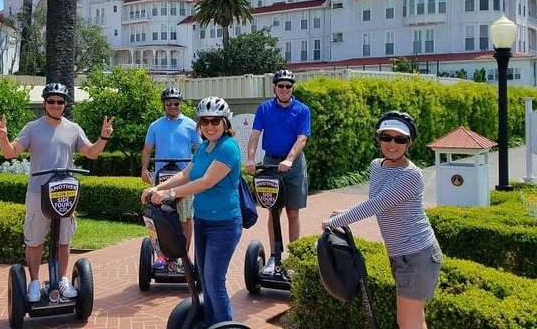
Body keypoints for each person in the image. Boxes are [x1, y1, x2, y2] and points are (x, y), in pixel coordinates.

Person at [0, 82, 114, 302]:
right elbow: (11, 152)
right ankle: (35, 282)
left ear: (65, 104)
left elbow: (91, 153)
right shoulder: (32, 128)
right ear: (45, 103)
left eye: (60, 101)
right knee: (34, 239)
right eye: (51, 101)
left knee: (64, 240)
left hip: (64, 192)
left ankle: (62, 280)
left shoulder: (73, 128)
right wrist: (2, 137)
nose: (55, 105)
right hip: (38, 192)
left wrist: (103, 137)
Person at [322, 111, 442, 329]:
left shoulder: (411, 175)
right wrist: (344, 212)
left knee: (407, 323)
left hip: (417, 255)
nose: (392, 144)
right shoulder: (377, 166)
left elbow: (375, 205)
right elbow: (378, 200)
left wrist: (335, 222)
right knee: (415, 320)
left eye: (400, 139)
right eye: (386, 137)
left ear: (409, 143)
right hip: (400, 255)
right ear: (378, 139)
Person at [142, 96, 242, 327]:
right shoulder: (205, 148)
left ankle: (224, 325)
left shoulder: (228, 148)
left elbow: (206, 182)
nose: (209, 126)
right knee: (204, 280)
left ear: (225, 123)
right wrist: (158, 187)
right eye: (205, 121)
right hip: (203, 221)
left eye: (215, 121)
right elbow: (186, 174)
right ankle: (209, 322)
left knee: (214, 280)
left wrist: (171, 194)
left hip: (224, 224)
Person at [246, 69, 311, 276]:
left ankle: (294, 257)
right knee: (273, 211)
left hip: (293, 163)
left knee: (293, 212)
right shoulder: (264, 108)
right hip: (271, 162)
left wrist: (290, 159)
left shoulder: (302, 110)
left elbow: (302, 138)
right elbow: (255, 134)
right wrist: (250, 158)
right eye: (280, 85)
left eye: (288, 86)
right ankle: (275, 256)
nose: (284, 89)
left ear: (293, 89)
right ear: (274, 87)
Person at [141, 87, 201, 269]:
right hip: (161, 178)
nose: (173, 106)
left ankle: (184, 256)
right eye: (169, 104)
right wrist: (144, 168)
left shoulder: (191, 124)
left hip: (184, 179)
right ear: (164, 105)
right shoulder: (155, 126)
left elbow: (199, 149)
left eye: (176, 103)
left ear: (180, 104)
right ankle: (161, 255)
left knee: (186, 218)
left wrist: (198, 168)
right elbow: (147, 150)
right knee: (157, 218)